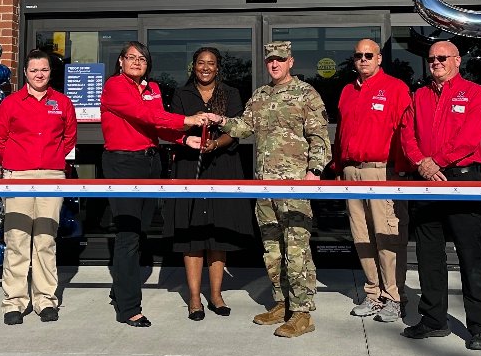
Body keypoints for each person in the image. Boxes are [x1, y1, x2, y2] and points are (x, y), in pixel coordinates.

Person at [217, 40, 330, 339]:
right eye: (270, 61)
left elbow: (319, 135)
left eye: (280, 59)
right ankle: (282, 303)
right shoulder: (261, 95)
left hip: (294, 184)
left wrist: (314, 171)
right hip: (264, 184)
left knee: (296, 248)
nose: (275, 64)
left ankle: (303, 312)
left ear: (291, 61)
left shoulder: (306, 93)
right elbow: (243, 127)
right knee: (271, 248)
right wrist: (221, 121)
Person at [100, 40, 209, 327]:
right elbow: (143, 114)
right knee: (129, 234)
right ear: (121, 61)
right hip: (123, 163)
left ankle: (120, 287)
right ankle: (128, 308)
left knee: (142, 230)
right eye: (131, 58)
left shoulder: (153, 89)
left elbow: (156, 125)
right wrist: (187, 120)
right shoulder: (115, 86)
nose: (137, 62)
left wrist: (184, 138)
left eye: (143, 59)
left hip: (151, 161)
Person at [400, 40, 481, 350]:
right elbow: (407, 134)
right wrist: (421, 163)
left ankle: (480, 327)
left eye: (442, 58)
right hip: (427, 181)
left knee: (472, 257)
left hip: (462, 180)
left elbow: (471, 137)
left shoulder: (475, 94)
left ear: (457, 60)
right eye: (431, 59)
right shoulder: (419, 95)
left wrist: (437, 161)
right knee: (429, 257)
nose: (435, 63)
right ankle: (433, 320)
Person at [0, 48, 77, 326]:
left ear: (50, 73)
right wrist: (20, 160)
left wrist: (49, 160)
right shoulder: (11, 103)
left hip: (52, 175)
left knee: (45, 239)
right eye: (34, 70)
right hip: (18, 175)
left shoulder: (62, 103)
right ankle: (14, 302)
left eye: (44, 70)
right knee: (16, 239)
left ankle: (45, 300)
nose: (39, 74)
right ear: (25, 73)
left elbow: (69, 138)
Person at [166, 46, 255, 321]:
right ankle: (194, 298)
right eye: (201, 63)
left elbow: (238, 128)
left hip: (223, 165)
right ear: (194, 66)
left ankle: (216, 294)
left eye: (211, 63)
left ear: (218, 68)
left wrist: (216, 143)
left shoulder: (230, 93)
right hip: (189, 165)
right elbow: (173, 127)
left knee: (219, 232)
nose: (205, 67)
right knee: (192, 233)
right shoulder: (182, 94)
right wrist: (190, 132)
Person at [333, 38, 411, 323]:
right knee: (361, 235)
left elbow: (406, 130)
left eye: (369, 55)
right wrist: (338, 164)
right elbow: (341, 132)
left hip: (382, 171)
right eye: (358, 55)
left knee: (386, 234)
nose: (363, 59)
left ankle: (393, 297)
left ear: (379, 59)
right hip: (351, 172)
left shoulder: (395, 88)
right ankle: (373, 292)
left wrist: (400, 169)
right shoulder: (347, 91)